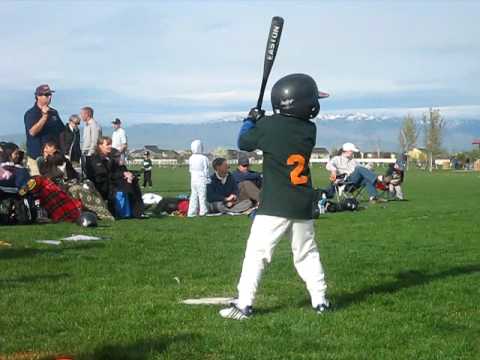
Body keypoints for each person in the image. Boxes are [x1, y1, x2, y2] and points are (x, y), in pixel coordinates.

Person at [219, 73, 330, 320]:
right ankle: (320, 300)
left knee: (257, 254)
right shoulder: (309, 129)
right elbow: (281, 130)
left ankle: (244, 304)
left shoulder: (268, 126)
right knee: (307, 253)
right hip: (302, 202)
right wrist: (263, 121)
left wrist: (251, 120)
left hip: (275, 204)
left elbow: (244, 142)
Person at [86, 136, 145, 219]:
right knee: (127, 184)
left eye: (110, 144)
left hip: (112, 181)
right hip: (102, 185)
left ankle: (138, 210)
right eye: (108, 144)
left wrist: (127, 174)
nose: (110, 146)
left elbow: (116, 171)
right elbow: (103, 174)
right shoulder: (95, 158)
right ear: (100, 146)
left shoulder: (109, 158)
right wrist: (122, 175)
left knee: (133, 181)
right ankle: (132, 211)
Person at [24, 84, 65, 176]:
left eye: (50, 94)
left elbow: (61, 131)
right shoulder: (31, 113)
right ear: (38, 96)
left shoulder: (54, 112)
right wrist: (44, 117)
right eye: (46, 95)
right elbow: (32, 132)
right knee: (39, 186)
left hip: (53, 157)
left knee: (55, 185)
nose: (49, 97)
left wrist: (63, 151)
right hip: (36, 158)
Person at [187, 140, 209, 217]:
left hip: (193, 179)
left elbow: (190, 169)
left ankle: (191, 212)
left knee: (193, 195)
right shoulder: (204, 158)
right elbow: (206, 169)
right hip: (201, 178)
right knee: (202, 196)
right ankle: (203, 211)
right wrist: (207, 178)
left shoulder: (191, 158)